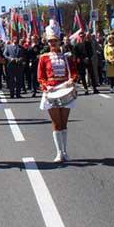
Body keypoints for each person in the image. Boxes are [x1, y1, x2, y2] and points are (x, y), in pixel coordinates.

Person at [37, 20, 78, 162]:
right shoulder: (43, 58)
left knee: (64, 123)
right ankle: (59, 152)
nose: (52, 44)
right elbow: (40, 77)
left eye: (55, 41)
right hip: (51, 91)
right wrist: (46, 87)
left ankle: (65, 151)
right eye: (50, 41)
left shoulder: (66, 57)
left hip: (65, 90)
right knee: (56, 122)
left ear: (59, 41)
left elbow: (73, 72)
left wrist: (72, 79)